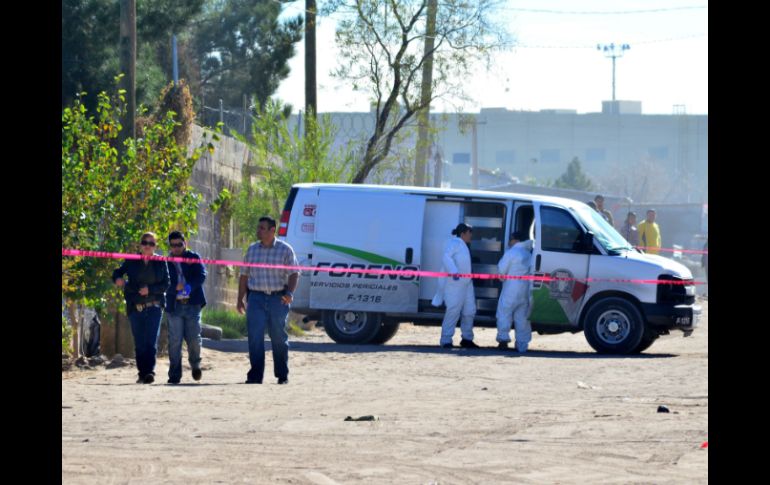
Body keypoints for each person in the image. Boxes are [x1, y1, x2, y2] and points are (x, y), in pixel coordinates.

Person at [237, 216, 299, 384]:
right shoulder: (252, 250)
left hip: (278, 298)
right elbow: (244, 275)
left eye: (262, 228)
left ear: (273, 230)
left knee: (278, 336)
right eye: (258, 228)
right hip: (256, 298)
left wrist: (290, 294)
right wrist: (240, 298)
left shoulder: (285, 250)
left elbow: (294, 273)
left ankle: (282, 374)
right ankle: (256, 375)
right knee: (255, 336)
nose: (258, 231)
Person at [112, 232, 170, 384]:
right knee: (140, 343)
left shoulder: (160, 261)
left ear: (155, 246)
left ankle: (149, 372)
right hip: (135, 307)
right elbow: (118, 272)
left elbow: (166, 284)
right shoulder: (132, 260)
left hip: (154, 306)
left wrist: (149, 289)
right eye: (145, 242)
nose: (147, 246)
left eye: (151, 243)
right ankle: (142, 373)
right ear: (140, 244)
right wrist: (118, 279)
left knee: (151, 342)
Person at [164, 231, 207, 385]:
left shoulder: (194, 257)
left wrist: (188, 287)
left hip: (192, 305)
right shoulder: (166, 261)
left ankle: (195, 365)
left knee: (194, 339)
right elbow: (163, 282)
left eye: (179, 245)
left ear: (185, 243)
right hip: (174, 307)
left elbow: (202, 275)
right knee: (175, 341)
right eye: (173, 245)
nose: (176, 248)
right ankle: (174, 374)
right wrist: (175, 287)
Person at [436, 223, 478, 349]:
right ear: (463, 233)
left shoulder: (464, 245)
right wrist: (454, 271)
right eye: (470, 232)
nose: (471, 235)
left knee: (469, 311)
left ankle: (467, 339)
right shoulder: (454, 243)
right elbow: (446, 257)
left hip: (467, 283)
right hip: (455, 283)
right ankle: (446, 340)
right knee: (453, 310)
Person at [495, 231, 534, 352]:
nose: (509, 242)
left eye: (510, 239)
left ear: (516, 240)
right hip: (525, 288)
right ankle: (522, 345)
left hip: (511, 287)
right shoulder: (529, 254)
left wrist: (502, 278)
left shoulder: (511, 253)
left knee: (504, 312)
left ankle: (503, 340)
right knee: (522, 317)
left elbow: (501, 270)